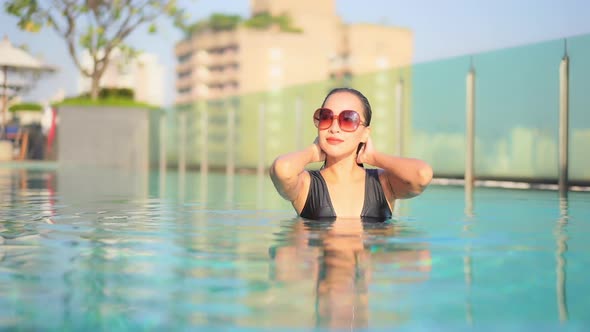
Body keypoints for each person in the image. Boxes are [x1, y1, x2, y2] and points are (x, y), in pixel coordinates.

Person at [270, 87, 433, 220]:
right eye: (326, 117)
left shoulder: (383, 184)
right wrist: (312, 152)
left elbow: (422, 174)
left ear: (365, 133)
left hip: (370, 259)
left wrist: (375, 158)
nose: (334, 128)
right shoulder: (307, 185)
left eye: (348, 119)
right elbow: (282, 169)